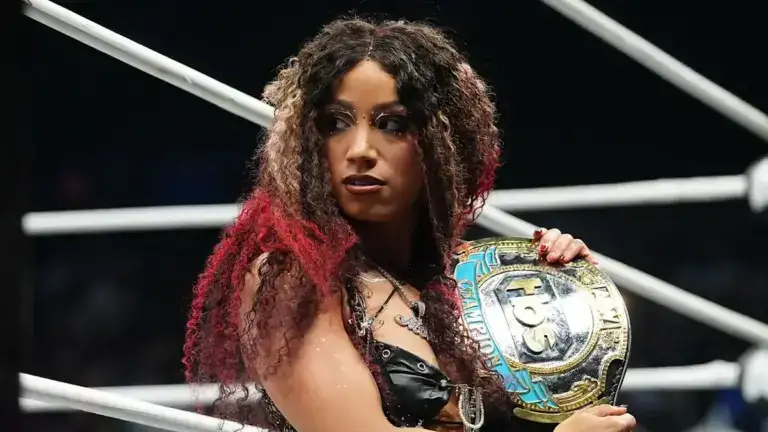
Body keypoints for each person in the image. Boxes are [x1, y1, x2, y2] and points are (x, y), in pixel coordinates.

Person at [182, 18, 636, 432]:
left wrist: (566, 289)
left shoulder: (466, 278)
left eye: (393, 124)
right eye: (335, 123)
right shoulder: (293, 279)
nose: (360, 149)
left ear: (444, 144)